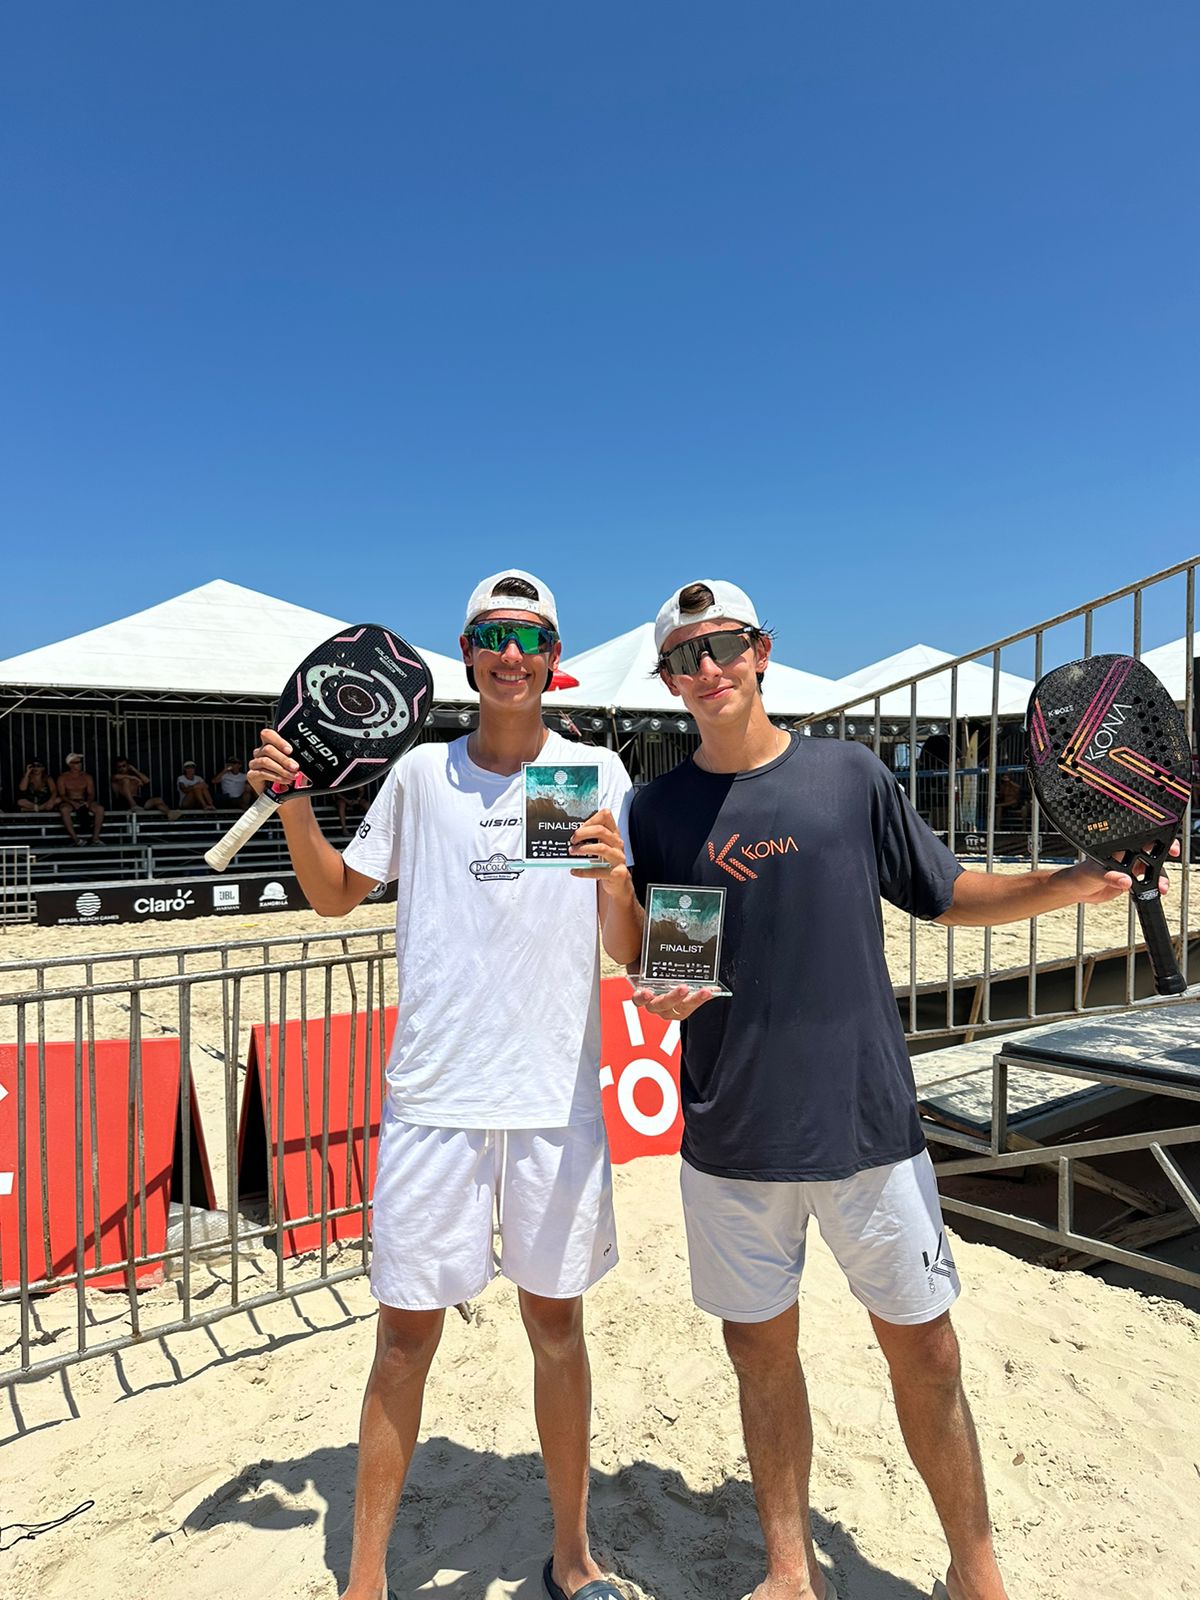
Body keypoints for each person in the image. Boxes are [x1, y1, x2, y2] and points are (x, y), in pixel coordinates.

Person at [626, 579, 1174, 1600]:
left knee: (927, 1355)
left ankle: (976, 1571)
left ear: (762, 651)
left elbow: (945, 893)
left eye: (724, 647)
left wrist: (1064, 883)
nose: (707, 670)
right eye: (683, 659)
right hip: (731, 1134)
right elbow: (679, 964)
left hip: (867, 1124)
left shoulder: (849, 776)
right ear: (668, 681)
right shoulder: (657, 808)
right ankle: (790, 1570)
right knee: (761, 1357)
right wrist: (657, 978)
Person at [248, 569, 642, 1600]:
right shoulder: (421, 776)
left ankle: (573, 1551)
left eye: (531, 637)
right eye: (493, 635)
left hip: (553, 1104)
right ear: (467, 652)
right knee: (402, 1339)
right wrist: (294, 803)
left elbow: (632, 949)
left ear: (556, 658)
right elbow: (336, 897)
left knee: (557, 1329)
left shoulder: (594, 773)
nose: (512, 654)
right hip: (432, 1102)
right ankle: (365, 1579)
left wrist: (612, 873)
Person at [56, 753, 105, 845]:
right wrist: (72, 802)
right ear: (70, 764)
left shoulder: (86, 776)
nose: (79, 764)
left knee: (100, 809)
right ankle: (76, 839)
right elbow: (62, 794)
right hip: (69, 801)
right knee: (64, 809)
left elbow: (91, 793)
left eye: (80, 762)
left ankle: (95, 838)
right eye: (76, 762)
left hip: (83, 800)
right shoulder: (62, 777)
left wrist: (88, 802)